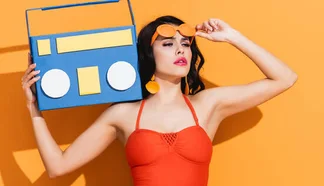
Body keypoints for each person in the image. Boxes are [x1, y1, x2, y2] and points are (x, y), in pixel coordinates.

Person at [20, 15, 297, 186]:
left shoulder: (208, 105)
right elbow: (57, 167)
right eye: (167, 43)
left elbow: (284, 78)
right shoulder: (123, 115)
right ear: (149, 54)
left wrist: (233, 37)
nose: (180, 49)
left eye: (185, 44)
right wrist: (34, 106)